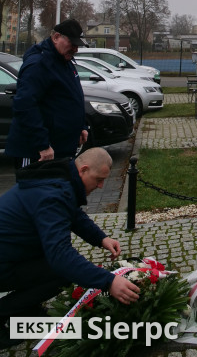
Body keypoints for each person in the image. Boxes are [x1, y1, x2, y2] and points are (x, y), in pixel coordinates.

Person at [0, 148, 140, 346]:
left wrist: (101, 238)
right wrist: (109, 282)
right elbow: (60, 256)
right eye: (99, 179)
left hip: (14, 253)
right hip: (5, 261)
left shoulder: (60, 180)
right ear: (83, 170)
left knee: (54, 267)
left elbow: (73, 214)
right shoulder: (53, 194)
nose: (101, 186)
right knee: (62, 274)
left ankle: (26, 311)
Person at [5, 19, 90, 166]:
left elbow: (70, 97)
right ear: (56, 37)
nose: (76, 49)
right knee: (35, 188)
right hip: (38, 152)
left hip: (61, 148)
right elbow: (25, 106)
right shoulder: (39, 64)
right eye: (73, 44)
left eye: (78, 45)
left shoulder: (65, 62)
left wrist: (81, 126)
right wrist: (42, 145)